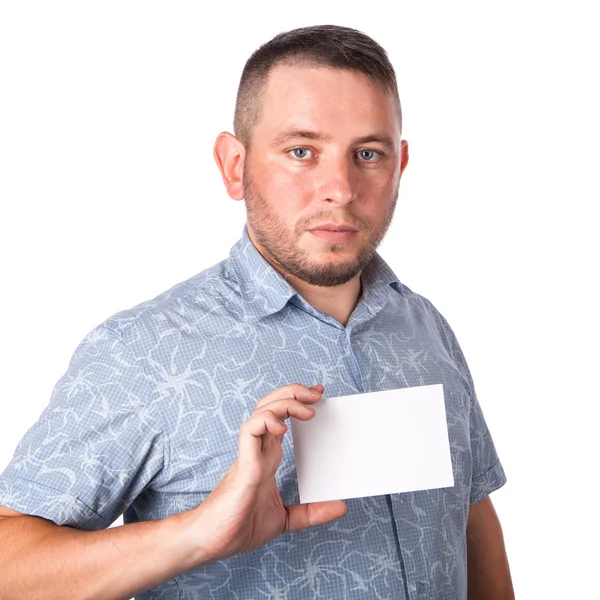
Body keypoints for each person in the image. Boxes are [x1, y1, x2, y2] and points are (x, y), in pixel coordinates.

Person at [0, 24, 514, 600]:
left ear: (400, 166)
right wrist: (195, 534)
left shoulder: (424, 328)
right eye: (301, 152)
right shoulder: (144, 351)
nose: (339, 188)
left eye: (367, 154)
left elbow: (471, 518)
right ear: (233, 165)